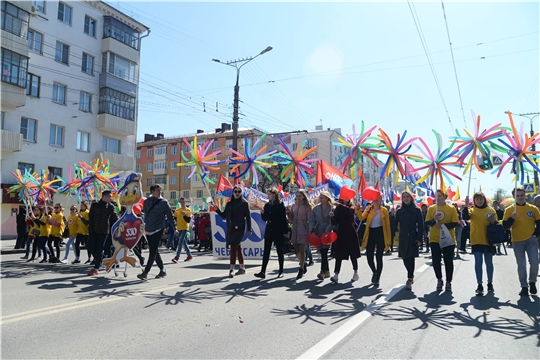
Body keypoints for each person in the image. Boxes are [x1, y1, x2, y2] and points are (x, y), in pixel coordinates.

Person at [502, 187, 540, 296]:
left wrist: (535, 235)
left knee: (534, 262)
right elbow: (505, 226)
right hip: (517, 241)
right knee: (521, 264)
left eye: (522, 195)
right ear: (514, 197)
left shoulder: (533, 209)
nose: (520, 197)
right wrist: (512, 219)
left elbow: (539, 223)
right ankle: (524, 286)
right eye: (517, 196)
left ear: (525, 196)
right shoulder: (509, 210)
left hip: (531, 240)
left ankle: (532, 282)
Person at [137, 185, 176, 281]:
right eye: (158, 190)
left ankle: (145, 273)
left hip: (159, 228)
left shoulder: (164, 202)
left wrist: (175, 228)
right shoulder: (146, 202)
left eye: (160, 190)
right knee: (155, 251)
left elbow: (170, 216)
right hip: (149, 229)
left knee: (153, 251)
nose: (160, 192)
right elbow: (146, 214)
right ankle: (162, 270)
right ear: (152, 191)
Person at [462, 192, 497, 295]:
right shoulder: (472, 210)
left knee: (489, 263)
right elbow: (465, 217)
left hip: (488, 240)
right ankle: (479, 284)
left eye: (481, 199)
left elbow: (496, 224)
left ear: (484, 200)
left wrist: (492, 221)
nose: (479, 201)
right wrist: (465, 206)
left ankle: (490, 283)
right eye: (477, 200)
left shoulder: (490, 210)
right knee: (478, 262)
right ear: (474, 201)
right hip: (476, 240)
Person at [425, 189, 459, 292]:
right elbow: (427, 222)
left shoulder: (451, 208)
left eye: (440, 196)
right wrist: (433, 220)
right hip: (435, 238)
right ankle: (439, 279)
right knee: (436, 261)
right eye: (437, 196)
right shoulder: (431, 209)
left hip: (448, 239)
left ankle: (449, 281)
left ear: (445, 197)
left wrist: (443, 225)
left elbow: (455, 222)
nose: (438, 198)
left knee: (448, 261)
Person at [215, 185, 252, 278]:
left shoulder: (244, 203)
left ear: (241, 193)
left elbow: (248, 217)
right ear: (233, 192)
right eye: (235, 191)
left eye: (239, 192)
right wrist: (217, 210)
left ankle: (231, 268)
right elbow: (224, 215)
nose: (237, 193)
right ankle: (242, 267)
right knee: (237, 247)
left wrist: (249, 229)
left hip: (240, 227)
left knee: (233, 246)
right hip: (231, 227)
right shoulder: (229, 204)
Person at [255, 187, 288, 279]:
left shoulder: (280, 205)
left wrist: (285, 231)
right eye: (268, 194)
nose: (268, 196)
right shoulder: (267, 205)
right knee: (266, 251)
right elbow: (265, 218)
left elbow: (283, 219)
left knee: (279, 251)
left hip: (278, 229)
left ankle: (281, 271)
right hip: (269, 229)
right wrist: (262, 213)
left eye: (270, 194)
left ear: (274, 195)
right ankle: (262, 271)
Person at [328, 190, 361, 284]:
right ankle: (336, 275)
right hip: (341, 232)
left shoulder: (351, 206)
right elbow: (335, 222)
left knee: (353, 254)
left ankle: (355, 272)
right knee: (338, 254)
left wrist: (339, 205)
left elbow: (350, 212)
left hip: (350, 232)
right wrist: (332, 217)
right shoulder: (337, 208)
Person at [360, 192, 391, 286]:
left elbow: (387, 226)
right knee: (369, 257)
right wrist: (358, 209)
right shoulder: (369, 209)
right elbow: (361, 218)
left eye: (378, 198)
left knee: (379, 257)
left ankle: (377, 278)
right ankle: (375, 271)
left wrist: (388, 241)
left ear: (381, 200)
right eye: (375, 198)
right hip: (371, 234)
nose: (376, 200)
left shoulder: (384, 210)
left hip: (381, 234)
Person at [396, 191, 424, 290]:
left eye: (408, 197)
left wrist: (420, 239)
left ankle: (410, 277)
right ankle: (410, 274)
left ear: (411, 198)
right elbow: (395, 224)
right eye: (404, 197)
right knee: (404, 257)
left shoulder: (417, 210)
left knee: (411, 258)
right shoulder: (399, 211)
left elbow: (421, 226)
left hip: (413, 237)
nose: (406, 198)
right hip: (403, 237)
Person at [88, 191, 118, 276]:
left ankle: (96, 268)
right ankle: (106, 260)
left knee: (100, 248)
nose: (111, 198)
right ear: (104, 196)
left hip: (104, 231)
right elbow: (90, 217)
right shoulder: (95, 205)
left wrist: (121, 222)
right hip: (94, 229)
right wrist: (90, 228)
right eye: (109, 196)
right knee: (91, 247)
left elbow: (115, 217)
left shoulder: (110, 206)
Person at [287, 189, 313, 280]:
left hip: (303, 229)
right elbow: (291, 219)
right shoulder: (293, 206)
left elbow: (310, 219)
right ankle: (303, 263)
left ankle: (301, 269)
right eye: (297, 195)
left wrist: (310, 229)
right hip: (295, 229)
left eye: (300, 196)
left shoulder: (307, 207)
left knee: (302, 250)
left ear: (304, 197)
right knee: (296, 250)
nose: (298, 197)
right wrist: (289, 213)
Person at [309, 191, 334, 281]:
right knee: (322, 252)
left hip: (327, 232)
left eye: (322, 197)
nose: (320, 199)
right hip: (318, 231)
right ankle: (326, 271)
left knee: (324, 252)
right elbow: (312, 219)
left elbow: (332, 221)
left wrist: (327, 231)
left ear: (327, 198)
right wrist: (311, 228)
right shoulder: (316, 208)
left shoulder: (332, 208)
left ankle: (322, 272)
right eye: (320, 197)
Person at [172, 197, 193, 263]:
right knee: (184, 243)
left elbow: (188, 220)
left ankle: (177, 257)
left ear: (185, 202)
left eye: (184, 202)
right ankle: (189, 255)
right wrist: (175, 227)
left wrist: (184, 215)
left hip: (185, 228)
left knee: (180, 242)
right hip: (179, 228)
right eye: (181, 202)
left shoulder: (188, 210)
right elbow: (174, 219)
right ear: (180, 202)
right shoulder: (177, 210)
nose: (182, 203)